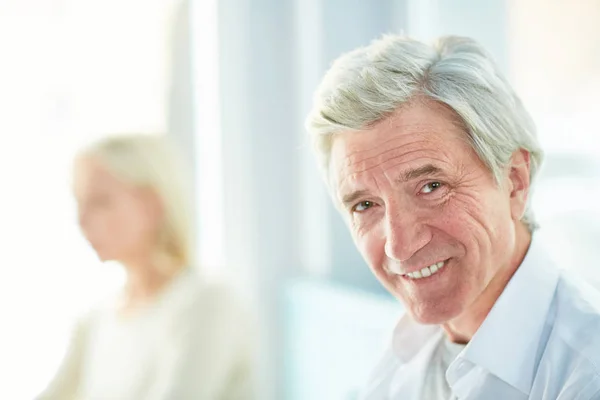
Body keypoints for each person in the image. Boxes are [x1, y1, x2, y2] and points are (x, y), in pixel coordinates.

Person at [306, 35, 600, 399]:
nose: (399, 247)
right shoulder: (399, 358)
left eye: (431, 187)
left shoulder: (587, 374)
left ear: (514, 182)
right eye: (365, 206)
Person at [37, 134, 256, 400]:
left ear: (152, 205)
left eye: (99, 202)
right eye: (79, 202)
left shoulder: (209, 304)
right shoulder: (95, 321)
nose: (81, 220)